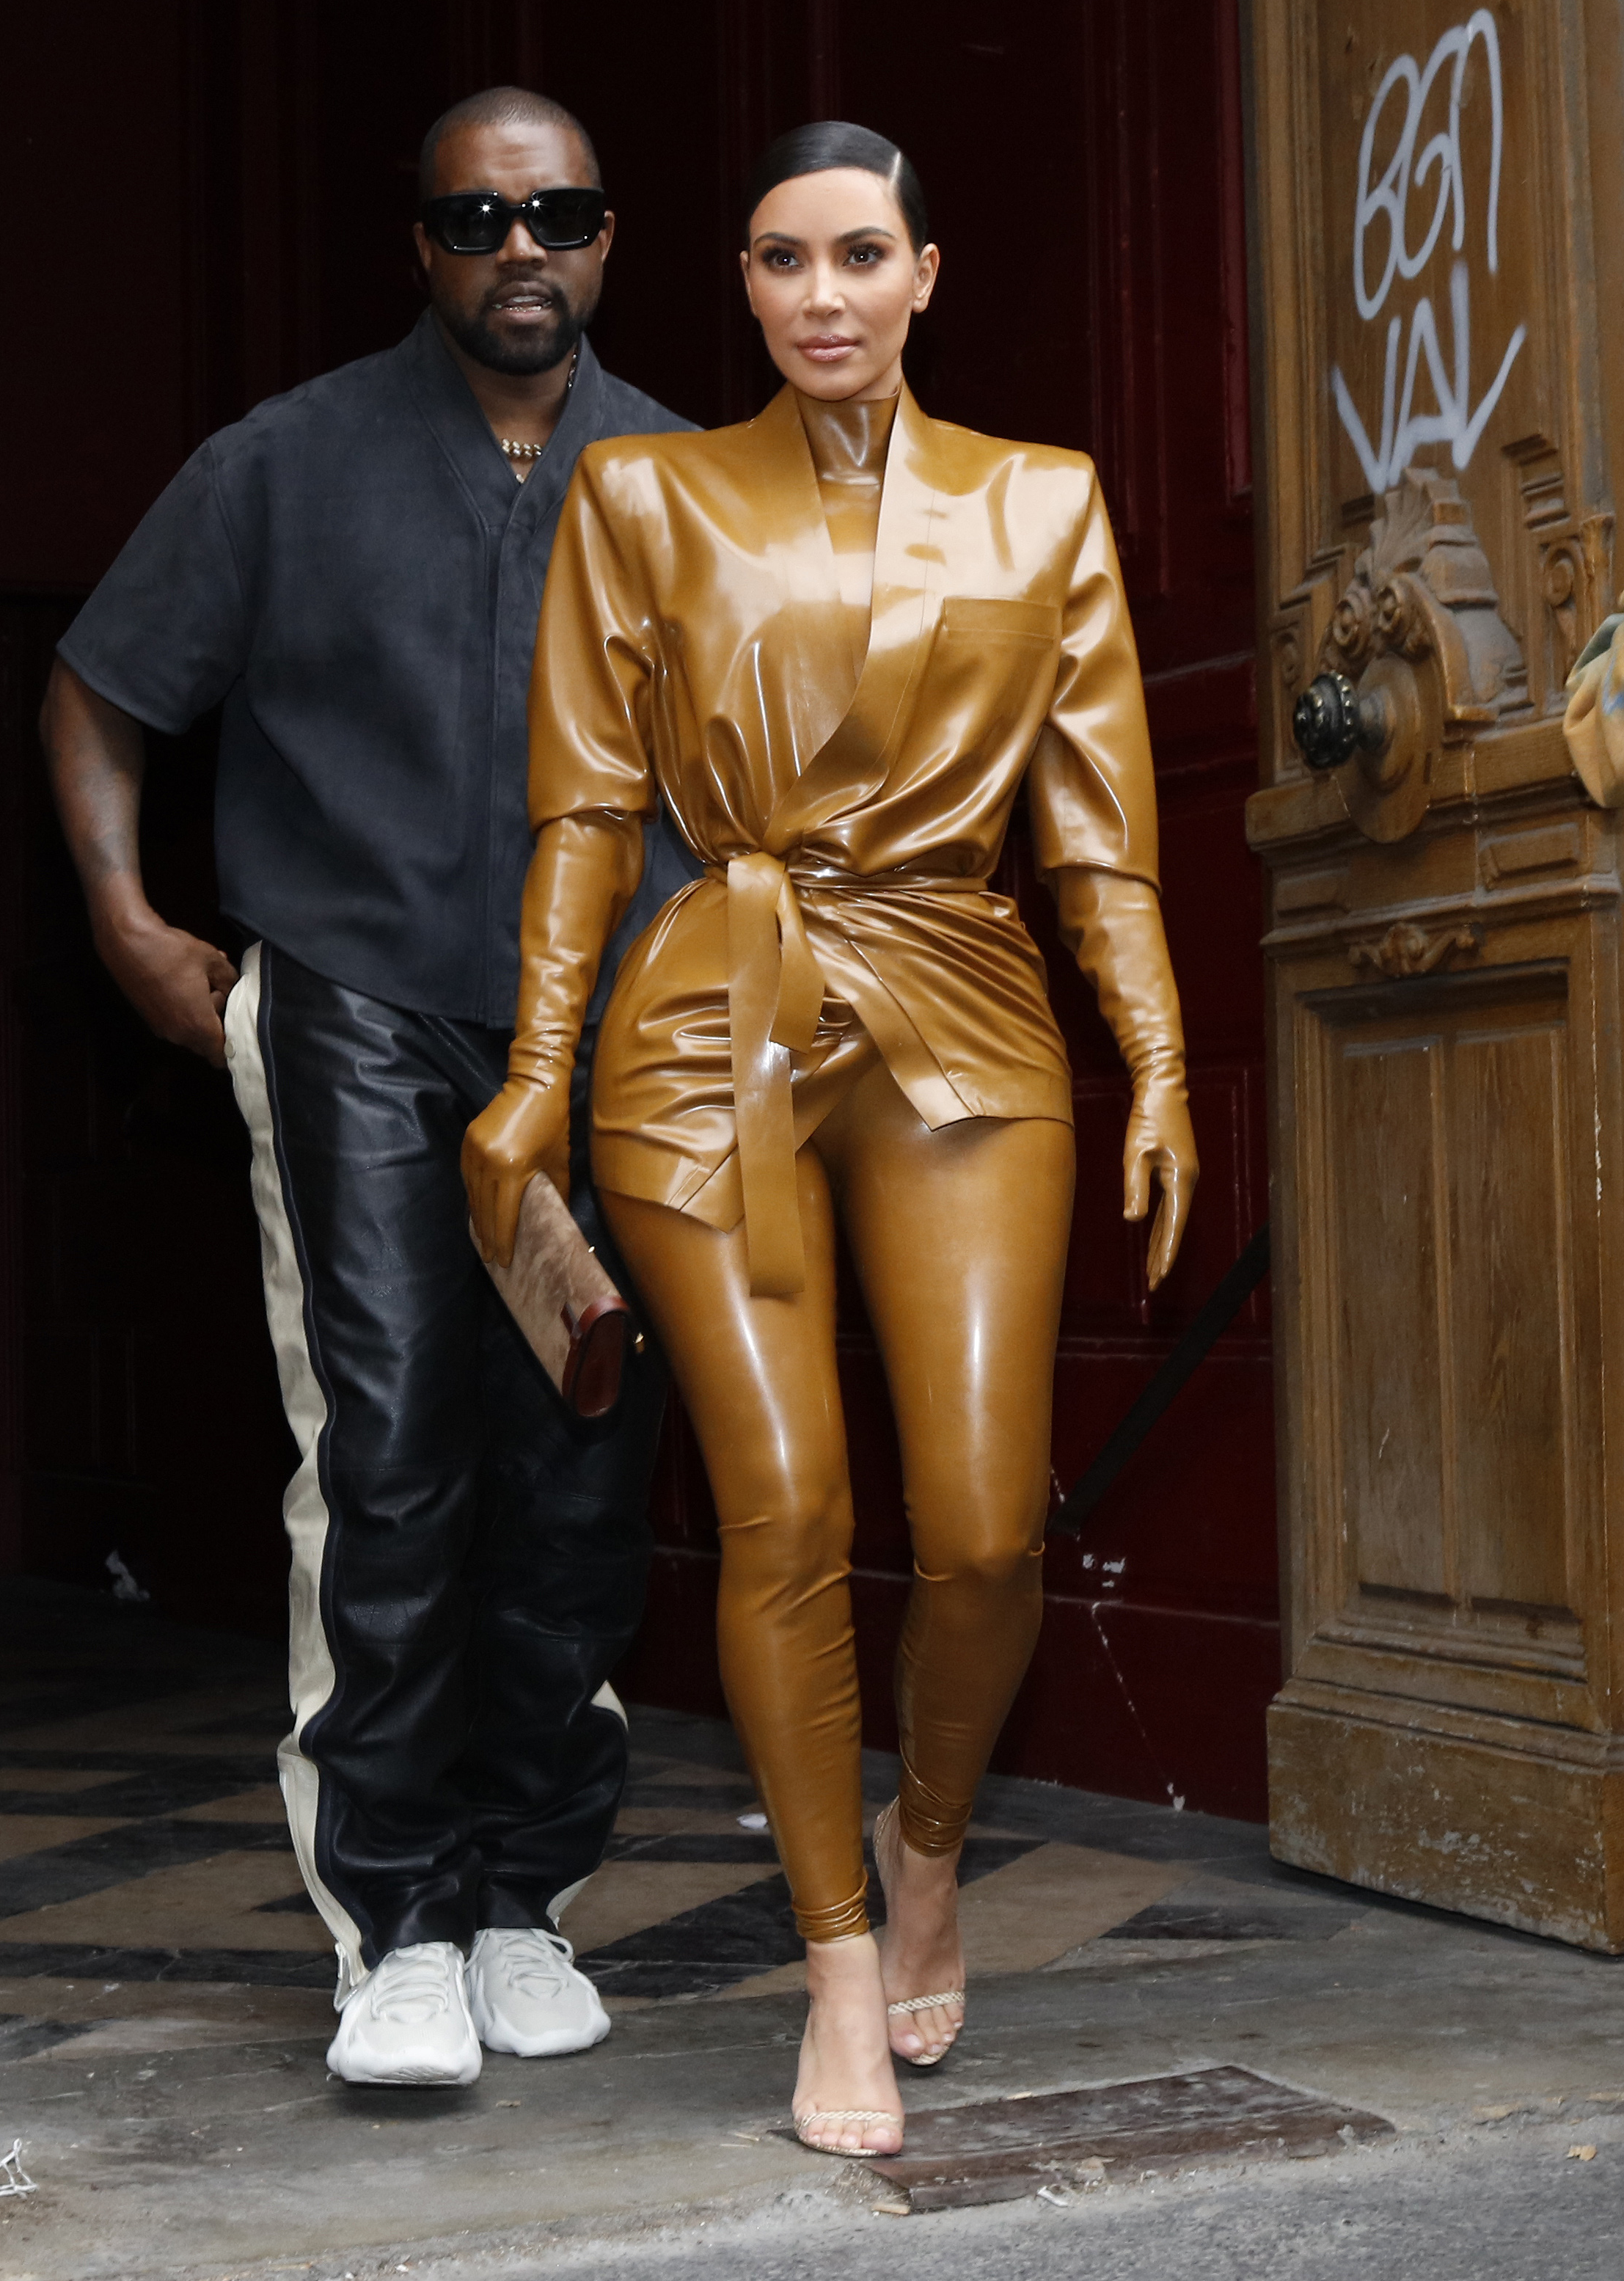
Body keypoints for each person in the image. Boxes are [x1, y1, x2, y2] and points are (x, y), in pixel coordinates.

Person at [462, 120, 1197, 2155]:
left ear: (926, 274)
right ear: (746, 284)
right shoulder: (646, 494)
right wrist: (535, 1071)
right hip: (717, 1011)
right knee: (783, 1507)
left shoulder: (1040, 503)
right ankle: (842, 1966)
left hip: (966, 1000)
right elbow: (589, 813)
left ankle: (930, 1830)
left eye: (861, 255)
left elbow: (1100, 827)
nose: (823, 295)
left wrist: (1162, 1054)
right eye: (783, 260)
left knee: (976, 1530)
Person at [42, 86, 698, 2087]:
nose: (524, 245)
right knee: (395, 1453)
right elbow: (95, 688)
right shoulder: (285, 463)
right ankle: (394, 1919)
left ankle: (521, 1897)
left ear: (606, 239)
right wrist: (125, 920)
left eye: (560, 211)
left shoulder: (689, 479)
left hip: (611, 1034)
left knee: (578, 1469)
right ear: (421, 244)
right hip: (359, 1012)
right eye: (479, 215)